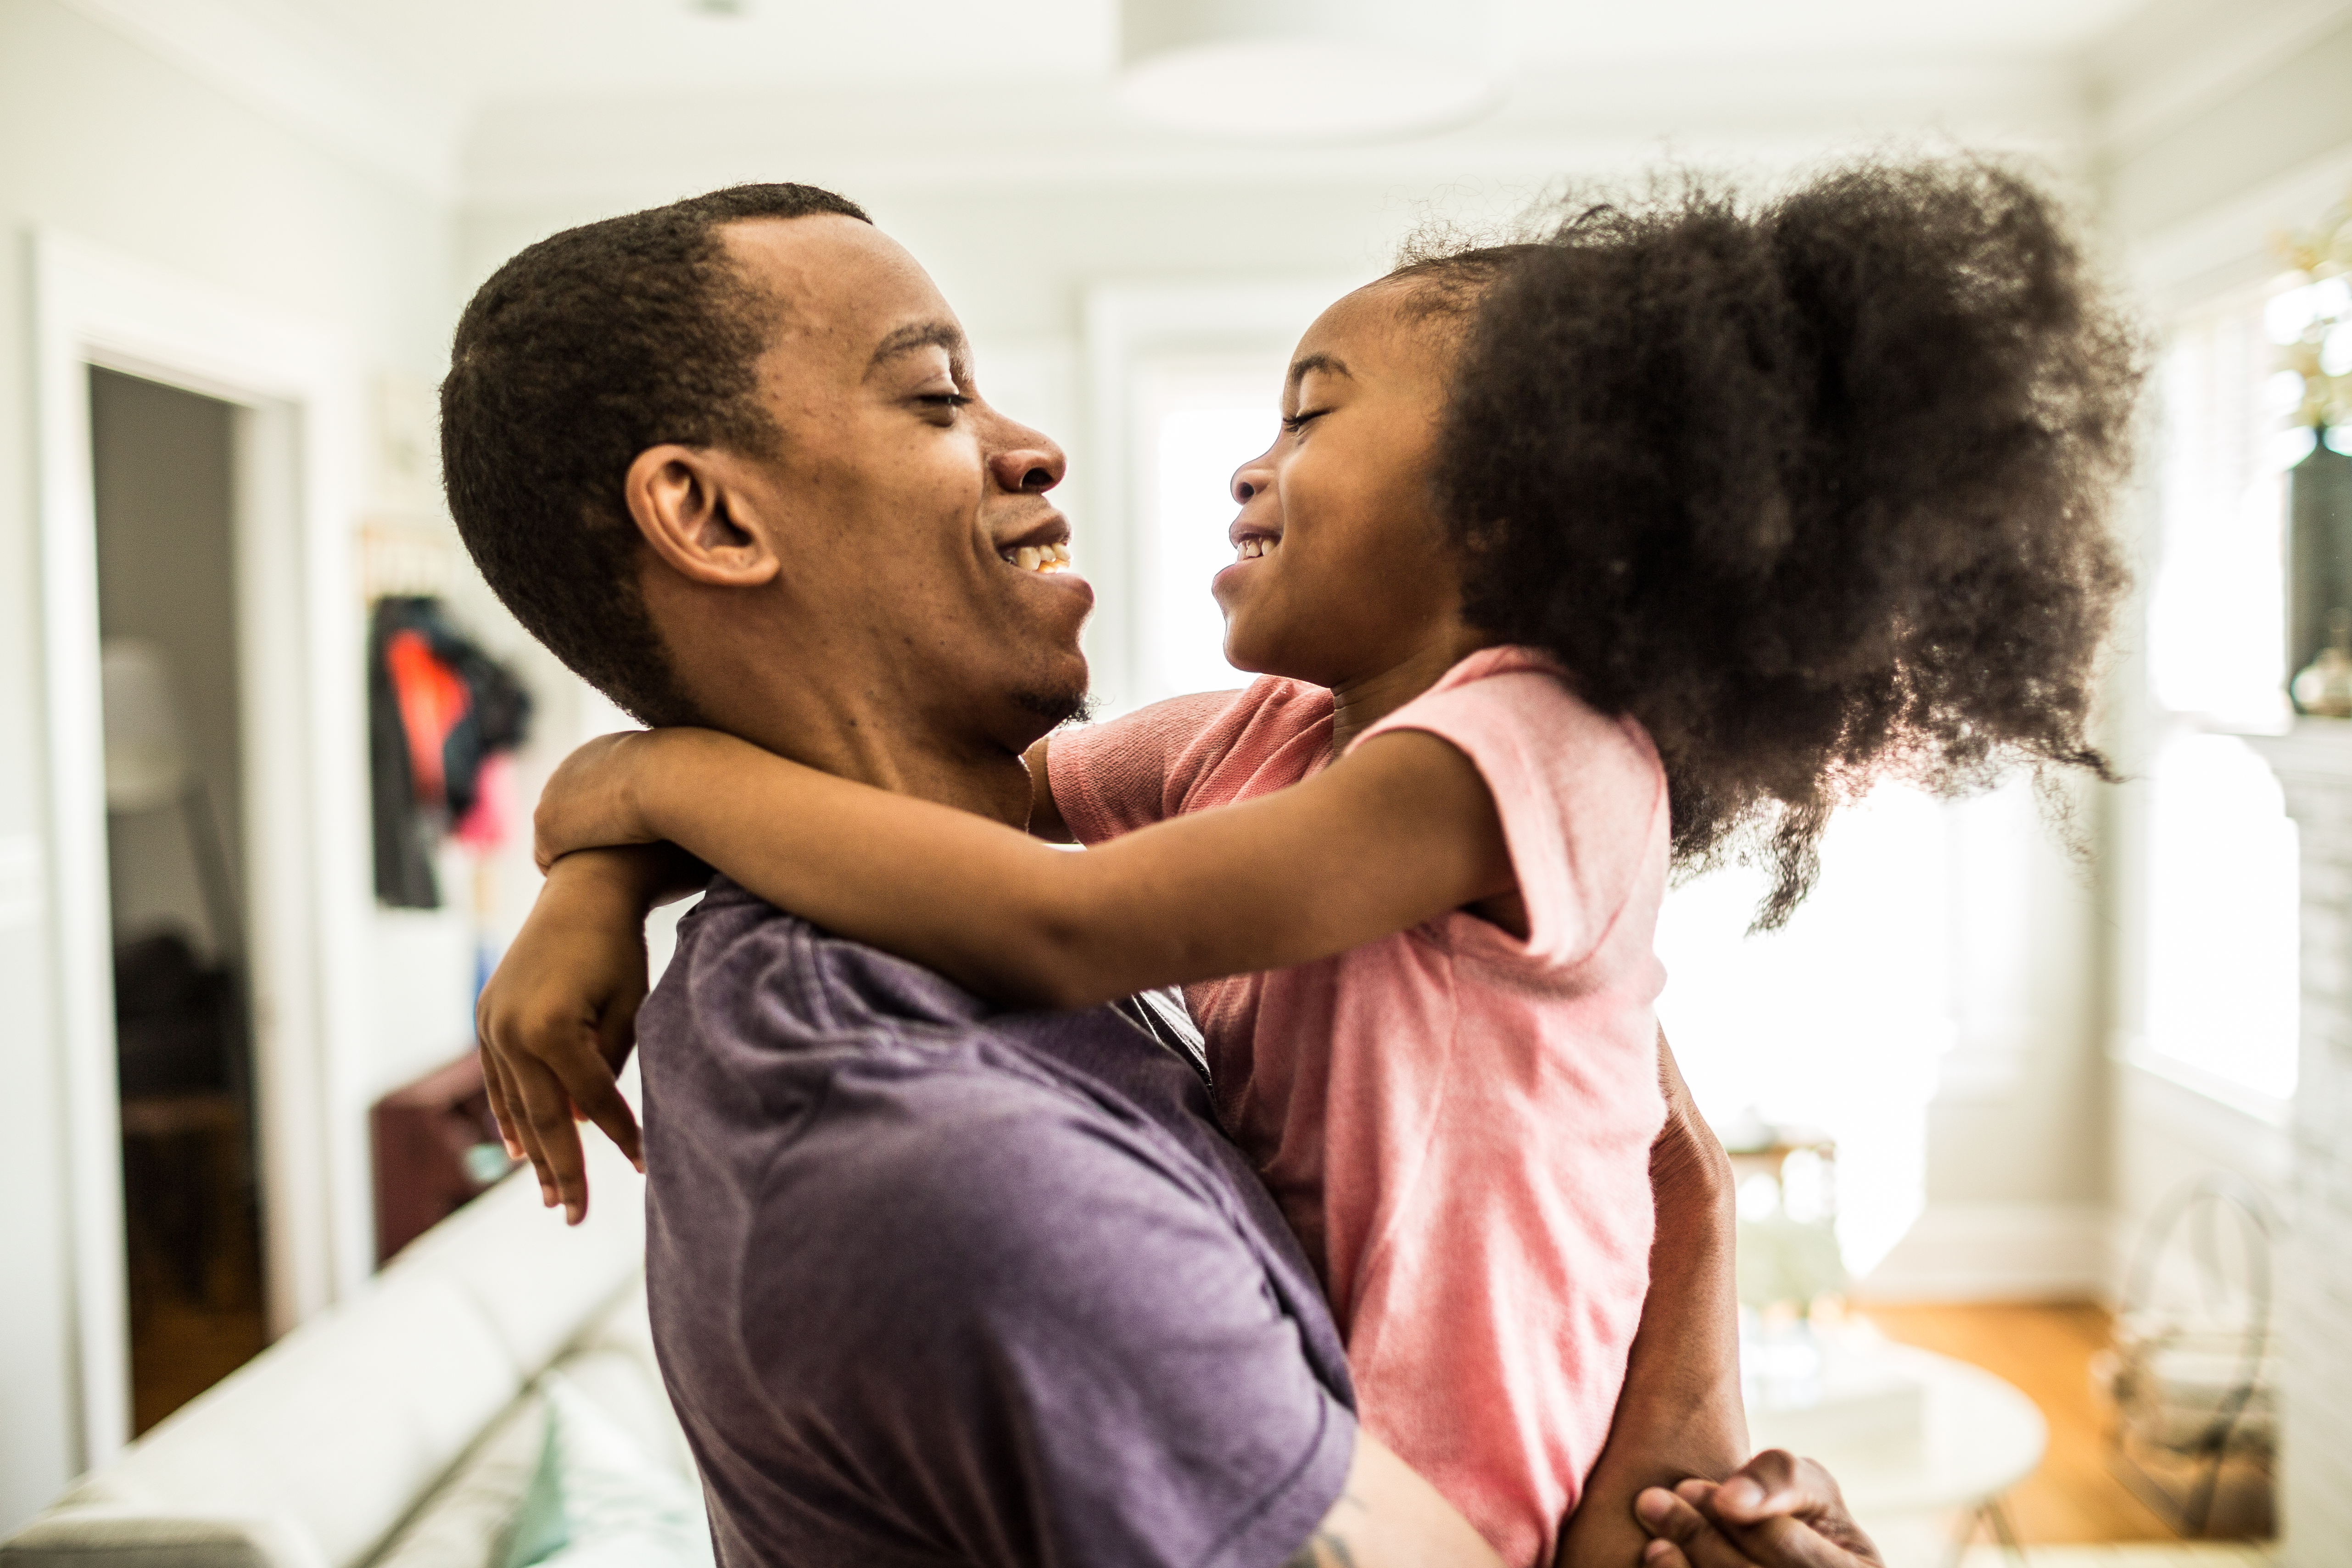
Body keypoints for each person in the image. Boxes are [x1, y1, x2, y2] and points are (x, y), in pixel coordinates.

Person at [500, 165, 2140, 1566]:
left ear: (1518, 499)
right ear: (709, 519)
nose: (1038, 445)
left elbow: (1022, 873)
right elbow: (1044, 898)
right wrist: (627, 823)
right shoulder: (932, 1141)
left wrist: (632, 822)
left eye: (1314, 415)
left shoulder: (1524, 748)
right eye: (937, 396)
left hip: (1501, 1437)